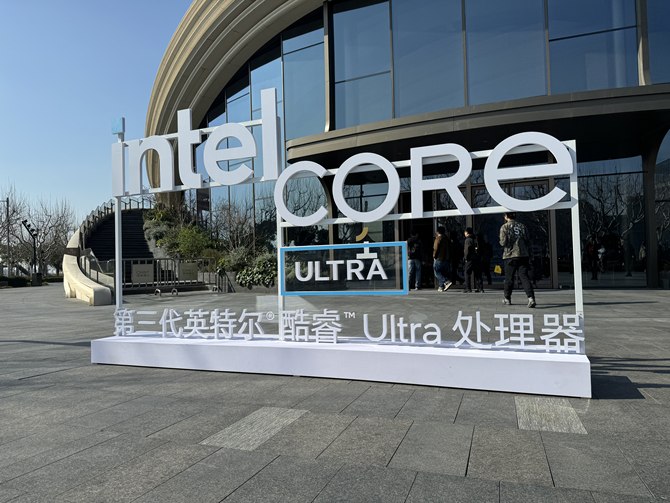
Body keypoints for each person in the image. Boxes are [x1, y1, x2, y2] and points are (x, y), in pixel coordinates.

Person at [499, 212, 535, 308]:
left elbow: (503, 242)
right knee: (524, 277)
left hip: (510, 255)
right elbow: (528, 240)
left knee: (509, 278)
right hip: (523, 254)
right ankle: (531, 298)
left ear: (506, 216)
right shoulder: (522, 226)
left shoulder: (505, 227)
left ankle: (507, 298)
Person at [463, 227, 483, 293]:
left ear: (467, 232)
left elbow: (467, 250)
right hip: (477, 258)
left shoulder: (468, 240)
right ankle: (480, 288)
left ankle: (468, 288)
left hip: (470, 259)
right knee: (478, 273)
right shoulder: (476, 238)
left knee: (467, 273)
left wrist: (466, 258)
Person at [433, 225, 452, 292]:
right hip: (446, 259)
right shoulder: (447, 239)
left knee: (437, 272)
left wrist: (434, 256)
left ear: (437, 232)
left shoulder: (438, 238)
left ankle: (446, 281)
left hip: (439, 258)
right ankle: (441, 287)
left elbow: (435, 248)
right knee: (443, 273)